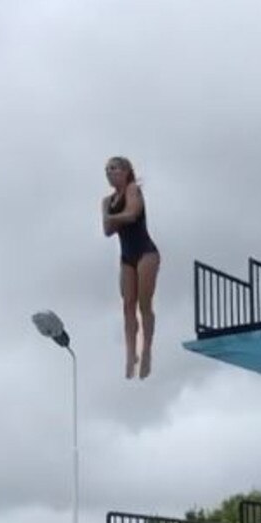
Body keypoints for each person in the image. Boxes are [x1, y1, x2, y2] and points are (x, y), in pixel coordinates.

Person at [102, 157, 160, 380]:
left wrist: (113, 218)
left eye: (114, 168)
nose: (109, 172)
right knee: (127, 306)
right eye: (107, 170)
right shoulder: (107, 201)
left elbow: (133, 213)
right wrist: (115, 218)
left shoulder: (133, 189)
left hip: (146, 253)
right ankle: (130, 354)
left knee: (144, 305)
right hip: (127, 257)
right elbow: (107, 230)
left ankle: (146, 351)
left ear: (126, 171)